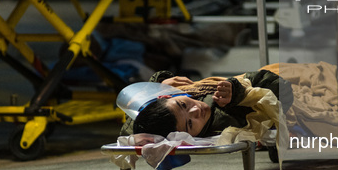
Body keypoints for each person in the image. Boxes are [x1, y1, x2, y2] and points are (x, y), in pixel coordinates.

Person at [122, 66, 293, 139]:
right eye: (189, 124)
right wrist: (240, 94)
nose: (195, 110)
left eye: (182, 105)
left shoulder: (178, 93)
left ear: (166, 98)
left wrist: (158, 86)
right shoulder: (226, 118)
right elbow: (283, 92)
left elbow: (135, 124)